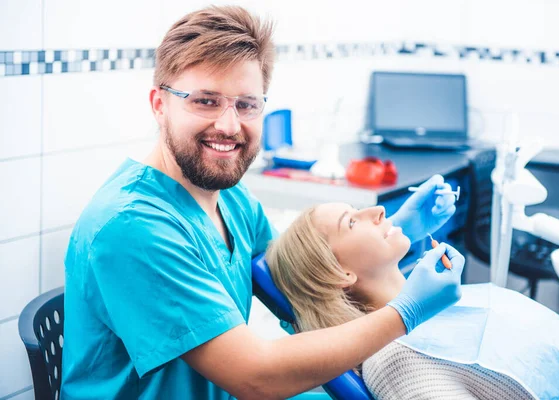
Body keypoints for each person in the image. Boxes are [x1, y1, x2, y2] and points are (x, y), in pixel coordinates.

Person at [61, 6, 462, 400]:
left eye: (247, 104)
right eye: (205, 100)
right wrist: (405, 313)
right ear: (159, 104)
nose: (229, 125)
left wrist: (393, 235)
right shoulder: (132, 226)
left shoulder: (232, 200)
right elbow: (256, 377)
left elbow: (299, 279)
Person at [266, 203, 559, 400]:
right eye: (352, 222)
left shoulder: (440, 299)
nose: (380, 210)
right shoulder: (393, 359)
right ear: (340, 272)